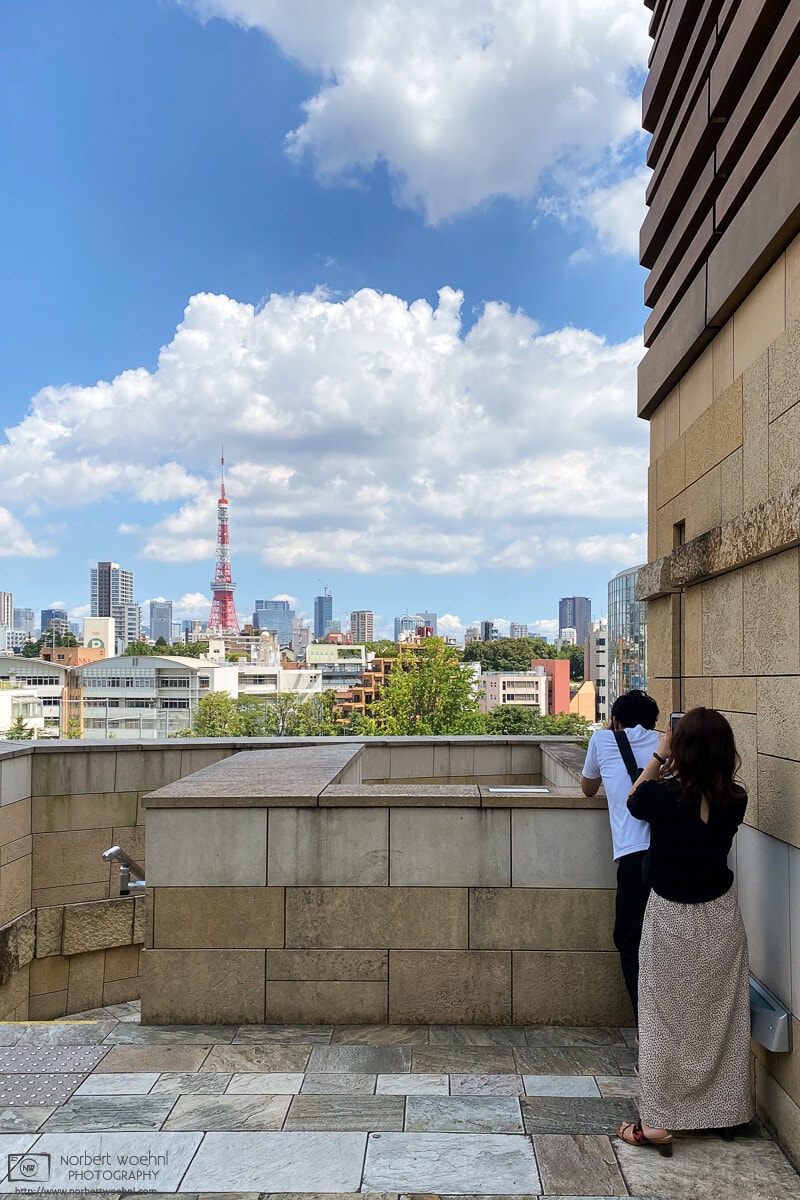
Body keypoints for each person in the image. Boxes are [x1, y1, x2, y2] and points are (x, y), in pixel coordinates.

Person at [616, 707, 752, 1157]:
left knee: (660, 1017)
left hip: (671, 916)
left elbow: (634, 800)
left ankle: (655, 1122)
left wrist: (660, 754)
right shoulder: (736, 798)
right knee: (720, 1017)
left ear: (682, 747)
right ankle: (724, 1111)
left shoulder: (663, 797)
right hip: (720, 916)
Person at [580, 689, 660, 1022]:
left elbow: (588, 788)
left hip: (632, 858)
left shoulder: (601, 741)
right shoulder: (667, 743)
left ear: (615, 721)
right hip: (671, 853)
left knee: (630, 940)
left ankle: (649, 1031)